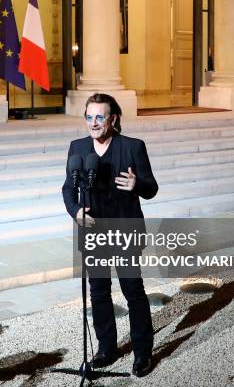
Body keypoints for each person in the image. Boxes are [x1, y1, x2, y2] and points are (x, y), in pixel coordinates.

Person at [62, 93, 158, 377]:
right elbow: (68, 188)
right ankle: (106, 348)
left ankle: (142, 353)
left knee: (133, 291)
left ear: (113, 118)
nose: (93, 123)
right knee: (99, 292)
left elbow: (151, 188)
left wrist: (136, 184)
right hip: (93, 232)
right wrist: (76, 212)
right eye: (89, 117)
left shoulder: (133, 147)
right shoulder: (77, 148)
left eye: (99, 117)